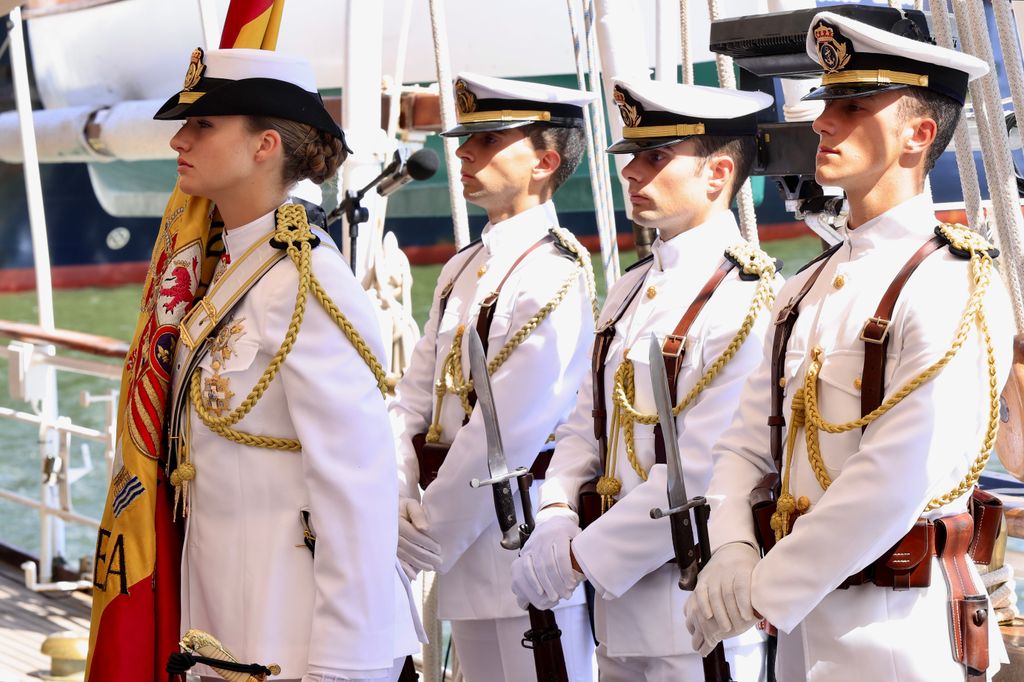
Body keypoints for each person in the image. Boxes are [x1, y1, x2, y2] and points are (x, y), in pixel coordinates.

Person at [684, 12, 1015, 681]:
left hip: (902, 634)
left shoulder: (952, 281)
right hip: (805, 629)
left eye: (853, 105)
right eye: (828, 101)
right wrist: (731, 548)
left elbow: (896, 478)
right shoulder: (803, 287)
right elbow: (744, 444)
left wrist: (762, 588)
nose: (822, 122)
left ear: (919, 135)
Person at [154, 47, 421, 681]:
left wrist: (344, 666)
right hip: (229, 625)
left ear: (264, 145)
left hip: (299, 637)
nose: (179, 142)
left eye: (203, 126)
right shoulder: (237, 271)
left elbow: (355, 485)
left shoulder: (305, 283)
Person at [509, 77, 781, 681]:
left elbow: (705, 468)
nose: (631, 172)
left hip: (696, 616)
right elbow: (587, 425)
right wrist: (555, 515)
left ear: (717, 175)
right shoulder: (632, 288)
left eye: (656, 157)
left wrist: (580, 556)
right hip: (616, 614)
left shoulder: (747, 299)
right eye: (632, 156)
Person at [388, 72, 598, 682]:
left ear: (544, 163)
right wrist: (399, 495)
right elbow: (411, 401)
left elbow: (504, 435)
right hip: (457, 544)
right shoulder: (462, 269)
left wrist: (422, 538)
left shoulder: (551, 275)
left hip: (518, 542)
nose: (463, 154)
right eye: (466, 140)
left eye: (487, 141)